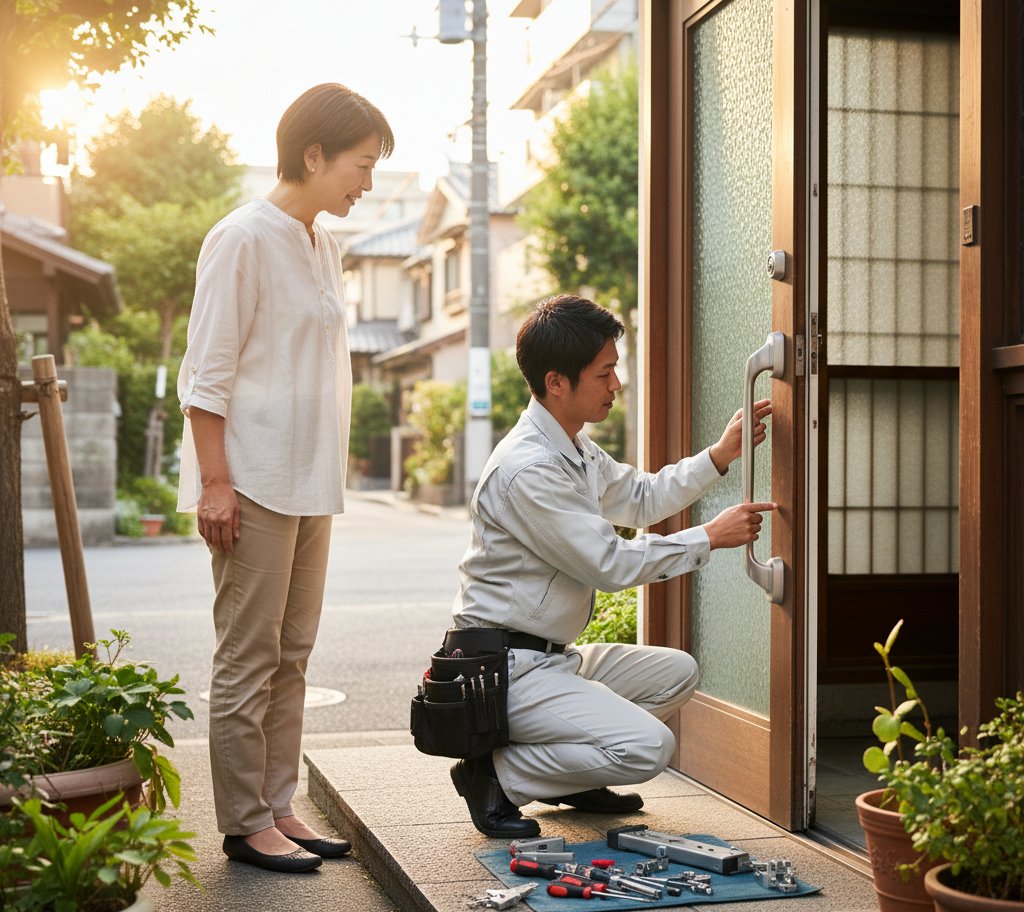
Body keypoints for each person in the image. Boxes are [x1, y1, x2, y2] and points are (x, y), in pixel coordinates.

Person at [446, 294, 775, 838]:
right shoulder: (528, 469)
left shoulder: (572, 447)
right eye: (605, 373)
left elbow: (642, 497)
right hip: (504, 670)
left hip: (550, 658)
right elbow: (608, 564)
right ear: (557, 382)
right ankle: (498, 776)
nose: (616, 384)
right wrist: (708, 538)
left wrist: (720, 454)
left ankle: (567, 780)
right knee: (651, 747)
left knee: (678, 674)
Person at [176, 83, 394, 872]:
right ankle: (243, 822)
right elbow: (206, 374)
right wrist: (215, 484)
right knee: (248, 657)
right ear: (314, 155)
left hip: (309, 482)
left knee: (293, 652)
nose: (365, 184)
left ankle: (277, 803)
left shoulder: (321, 243)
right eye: (360, 166)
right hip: (253, 480)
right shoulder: (241, 238)